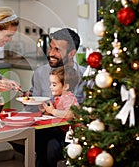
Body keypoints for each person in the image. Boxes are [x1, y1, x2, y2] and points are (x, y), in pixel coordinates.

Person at [16, 28, 86, 167]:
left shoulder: (85, 77)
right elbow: (32, 106)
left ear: (72, 53)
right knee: (16, 136)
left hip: (70, 130)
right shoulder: (40, 73)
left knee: (50, 146)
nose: (51, 54)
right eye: (51, 48)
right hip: (44, 128)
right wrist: (27, 98)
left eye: (57, 50)